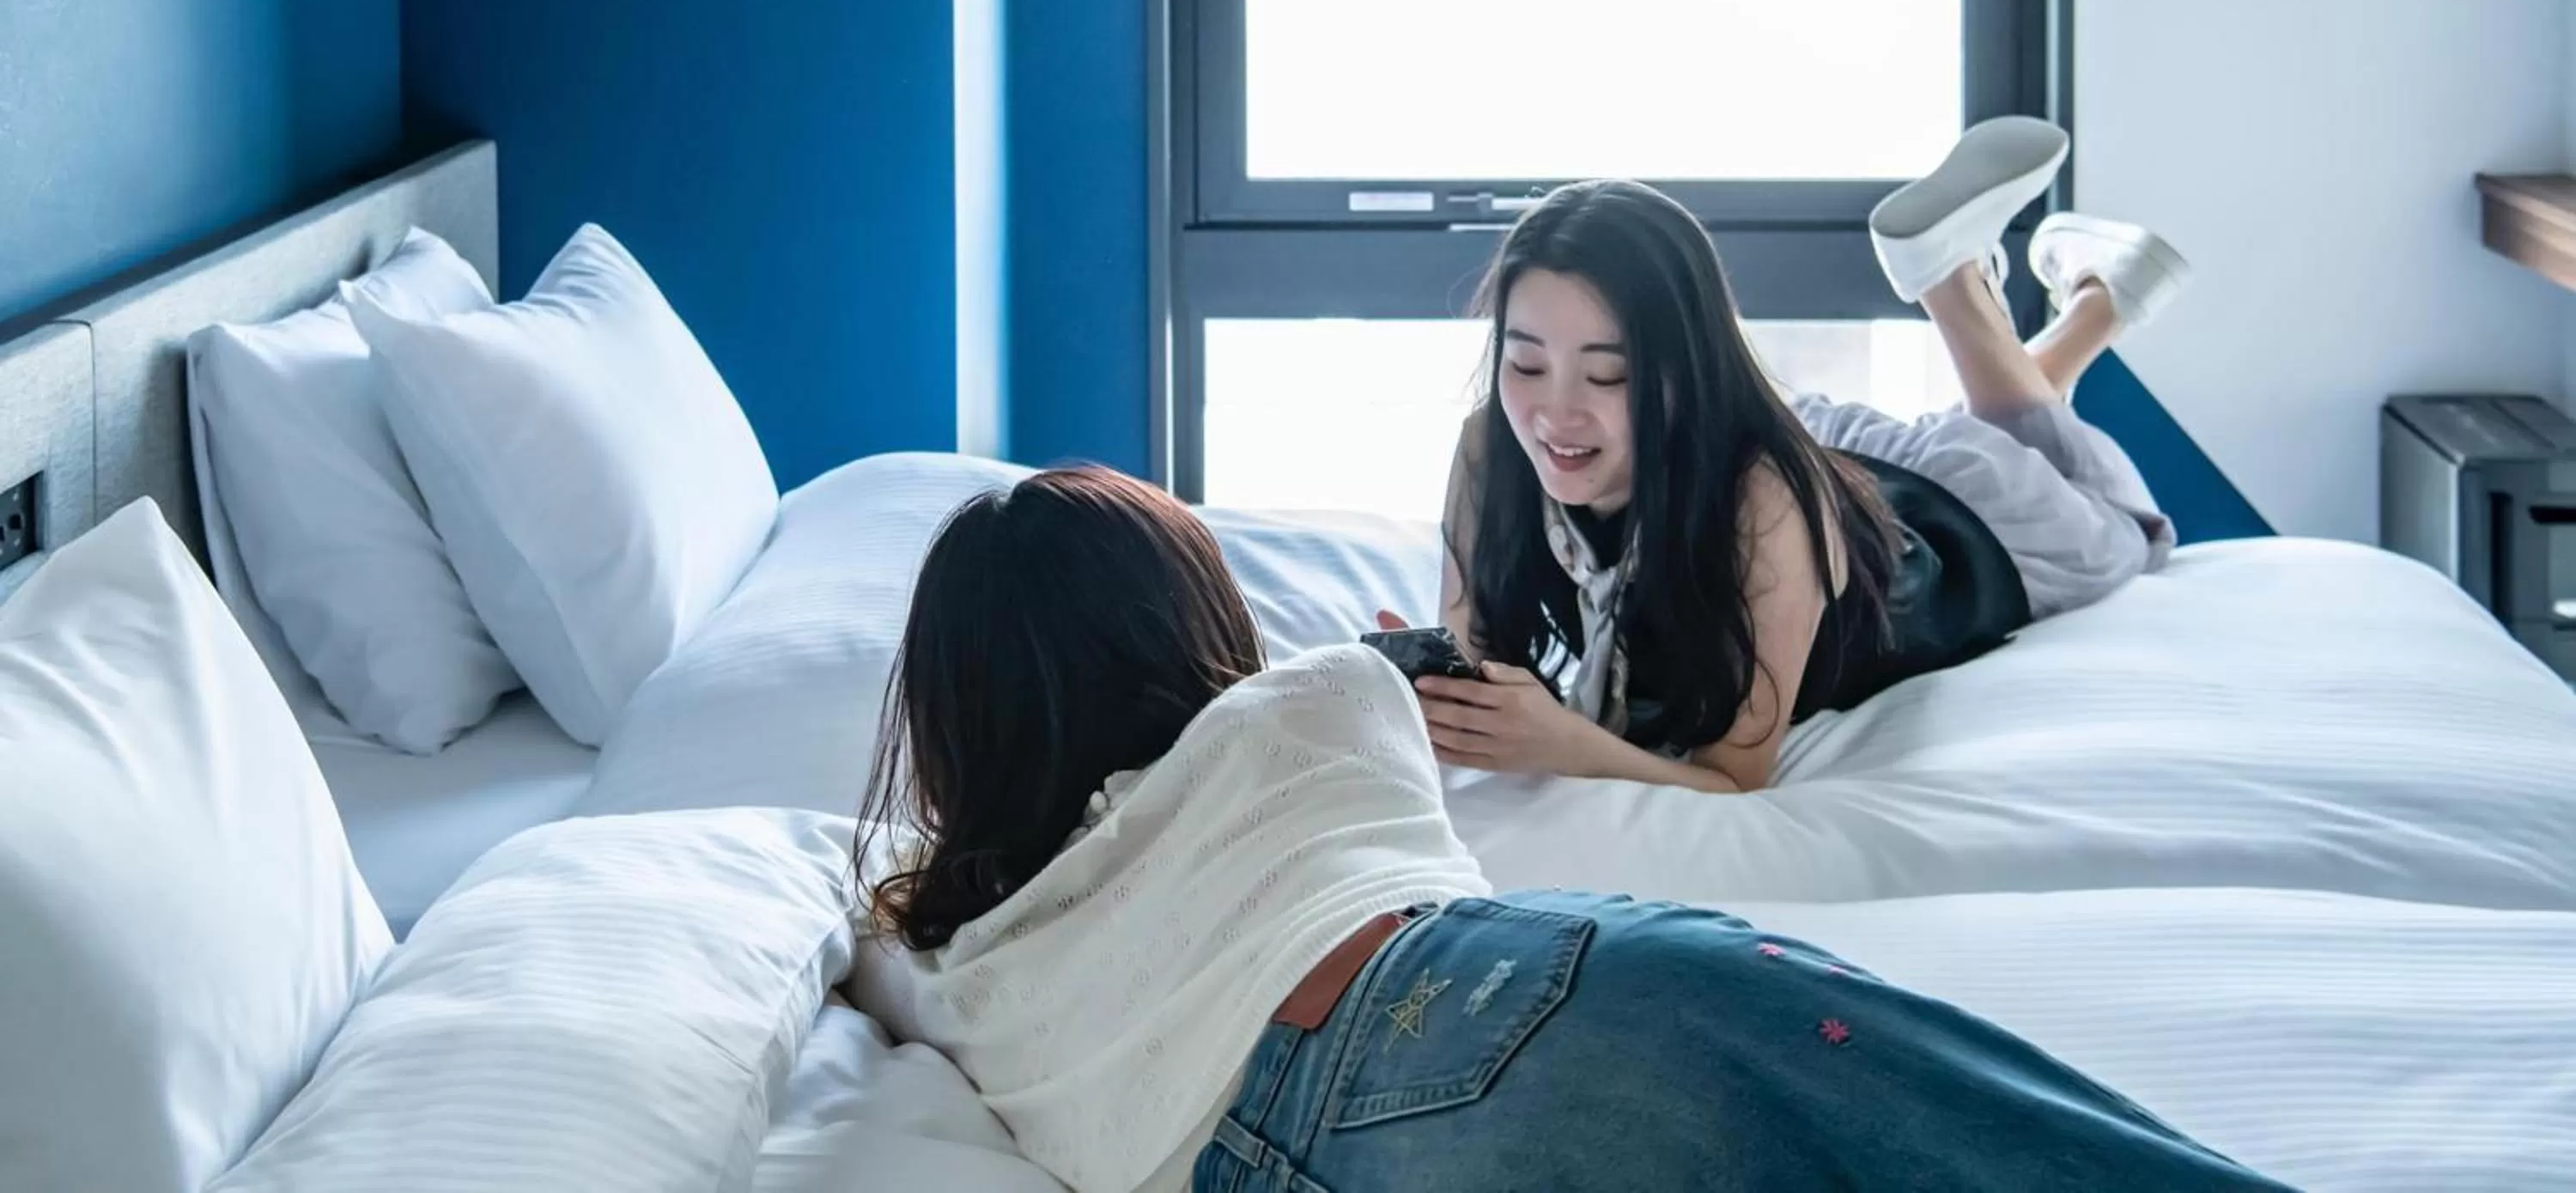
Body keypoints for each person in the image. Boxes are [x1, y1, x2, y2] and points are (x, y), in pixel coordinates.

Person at [848, 466, 2280, 1193]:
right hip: (1504, 1003)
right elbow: (1352, 660)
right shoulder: (1319, 702)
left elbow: (870, 931)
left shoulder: (950, 961)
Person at [1399, 115, 2186, 793]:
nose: (1554, 413)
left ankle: (2039, 293)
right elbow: (1474, 655)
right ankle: (2096, 295)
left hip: (1975, 529)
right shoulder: (1489, 446)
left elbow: (1734, 777)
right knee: (2001, 434)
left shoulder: (1765, 506)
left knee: (2122, 526)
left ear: (1685, 374)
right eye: (1525, 363)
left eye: (1611, 373)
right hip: (1829, 456)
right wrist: (1419, 688)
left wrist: (1568, 746)